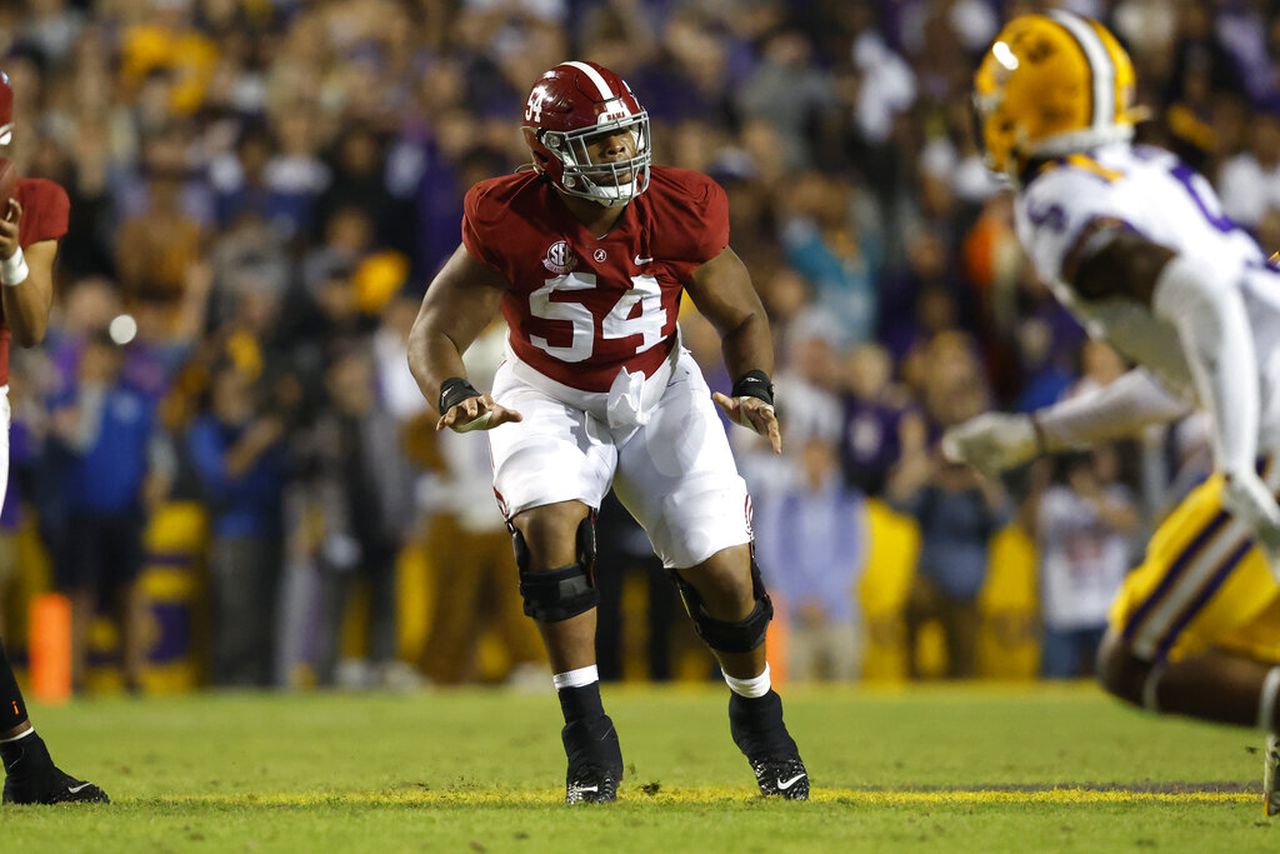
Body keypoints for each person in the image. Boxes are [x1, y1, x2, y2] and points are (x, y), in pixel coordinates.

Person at [407, 61, 808, 803]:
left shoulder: (681, 207)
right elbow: (433, 328)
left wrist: (753, 385)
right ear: (549, 156)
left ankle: (758, 715)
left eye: (625, 139)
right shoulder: (511, 215)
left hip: (661, 390)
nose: (622, 157)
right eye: (599, 144)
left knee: (723, 575)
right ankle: (587, 737)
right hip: (547, 394)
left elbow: (745, 313)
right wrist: (454, 389)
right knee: (550, 534)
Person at [944, 11, 1280, 814]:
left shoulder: (1057, 203)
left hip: (1272, 435)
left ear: (1030, 112)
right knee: (1233, 642)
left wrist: (1235, 461)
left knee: (1137, 659)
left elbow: (1206, 309)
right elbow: (1188, 369)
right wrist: (1039, 434)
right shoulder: (1156, 171)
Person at [0, 70, 108, 804]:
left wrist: (7, 254)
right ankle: (26, 762)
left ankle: (26, 761)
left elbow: (33, 325)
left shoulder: (34, 201)